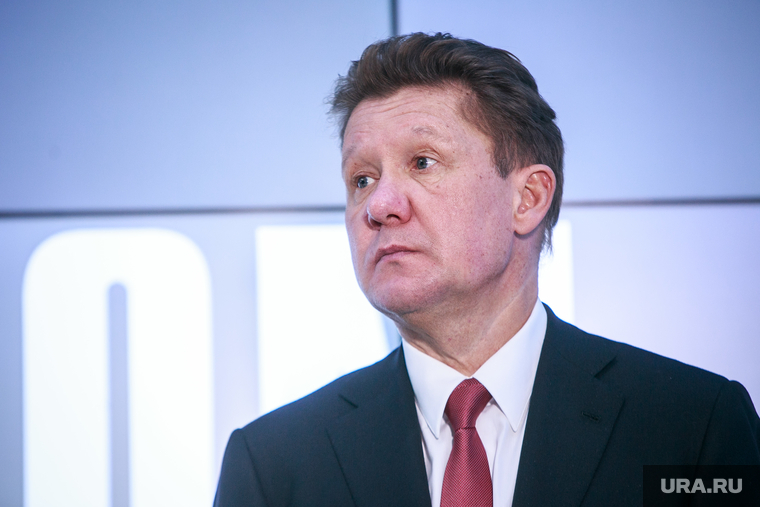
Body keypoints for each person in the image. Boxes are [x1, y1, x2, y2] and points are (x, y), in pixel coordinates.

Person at [214, 33, 760, 507]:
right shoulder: (273, 465)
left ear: (528, 198)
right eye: (361, 179)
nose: (379, 205)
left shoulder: (693, 427)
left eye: (422, 162)